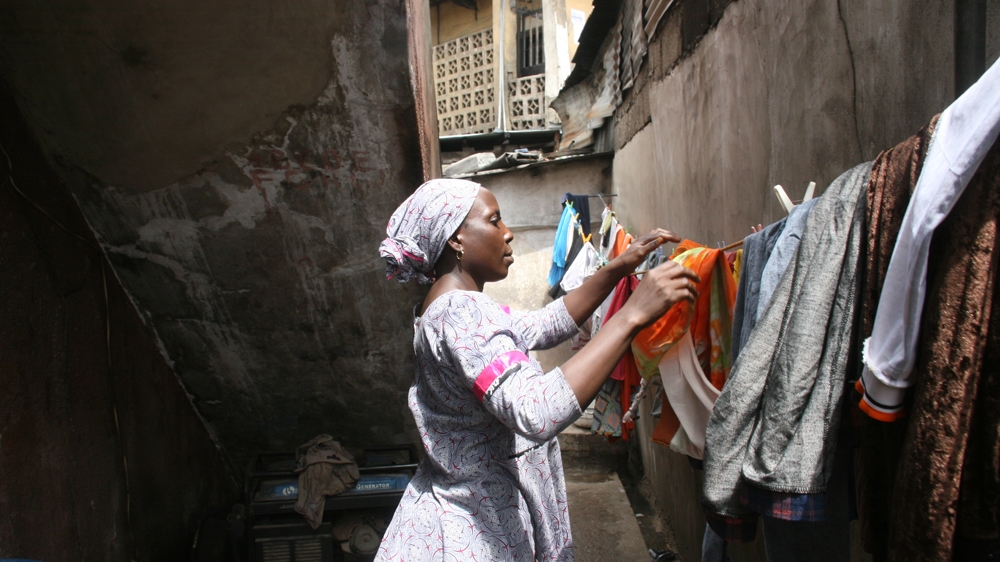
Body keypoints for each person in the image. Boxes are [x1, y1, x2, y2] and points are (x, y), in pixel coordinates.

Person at [374, 179, 699, 562]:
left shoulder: (446, 308)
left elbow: (544, 325)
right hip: (477, 527)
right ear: (455, 239)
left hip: (474, 507)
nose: (508, 233)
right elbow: (536, 411)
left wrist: (617, 269)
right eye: (494, 221)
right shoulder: (460, 313)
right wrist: (631, 316)